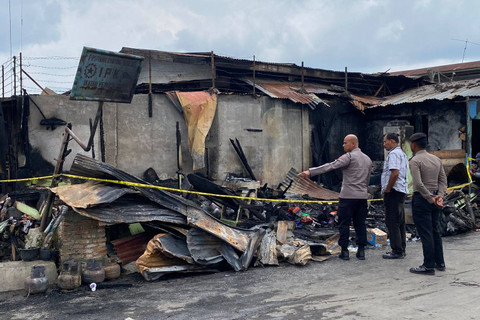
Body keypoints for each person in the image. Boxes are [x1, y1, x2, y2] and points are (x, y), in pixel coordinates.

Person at [299, 134, 372, 261]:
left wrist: (310, 172)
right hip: (362, 197)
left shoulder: (349, 157)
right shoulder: (367, 159)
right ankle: (361, 251)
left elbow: (331, 165)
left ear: (353, 144)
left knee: (344, 223)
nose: (343, 145)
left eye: (345, 143)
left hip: (348, 197)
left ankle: (344, 251)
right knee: (360, 223)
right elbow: (367, 180)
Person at [408, 133, 447, 275]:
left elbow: (418, 183)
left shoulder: (415, 160)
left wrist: (430, 198)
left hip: (422, 199)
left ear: (413, 145)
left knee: (426, 232)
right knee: (435, 230)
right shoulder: (436, 159)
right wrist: (439, 197)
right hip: (436, 198)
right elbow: (443, 181)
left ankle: (428, 265)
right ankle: (440, 262)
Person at [381, 133, 409, 259]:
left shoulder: (393, 154)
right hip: (400, 191)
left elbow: (395, 173)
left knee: (392, 221)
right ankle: (401, 248)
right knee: (400, 221)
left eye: (385, 141)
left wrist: (387, 189)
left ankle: (397, 250)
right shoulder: (402, 153)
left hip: (394, 191)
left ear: (392, 141)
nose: (384, 144)